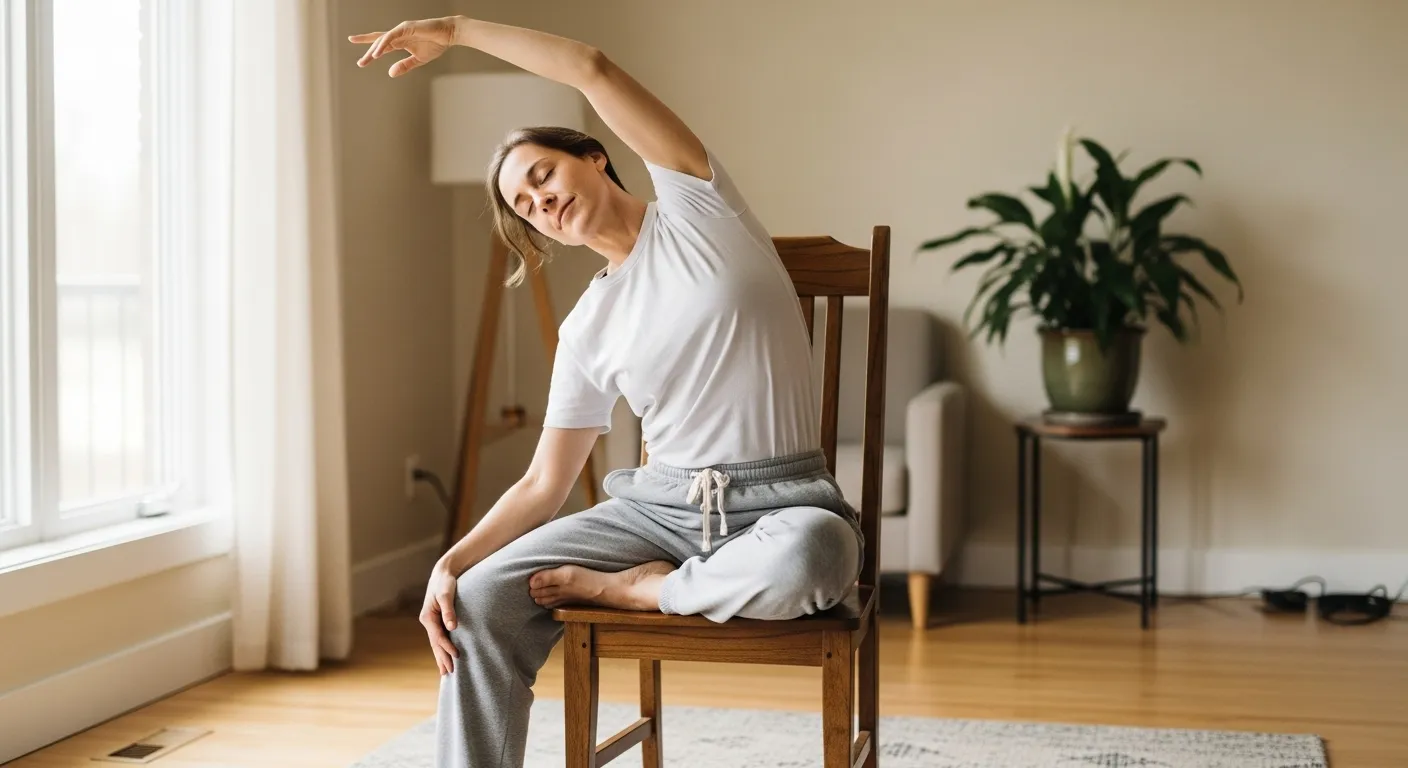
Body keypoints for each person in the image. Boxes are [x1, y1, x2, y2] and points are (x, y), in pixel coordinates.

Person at [350, 15, 864, 768]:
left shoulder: (701, 212)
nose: (540, 201)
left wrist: (457, 30)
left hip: (781, 504)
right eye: (525, 207)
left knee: (818, 556)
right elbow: (543, 481)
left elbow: (591, 67)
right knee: (484, 599)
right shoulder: (588, 322)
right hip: (656, 511)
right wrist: (450, 563)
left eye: (543, 176)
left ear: (593, 157)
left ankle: (640, 594)